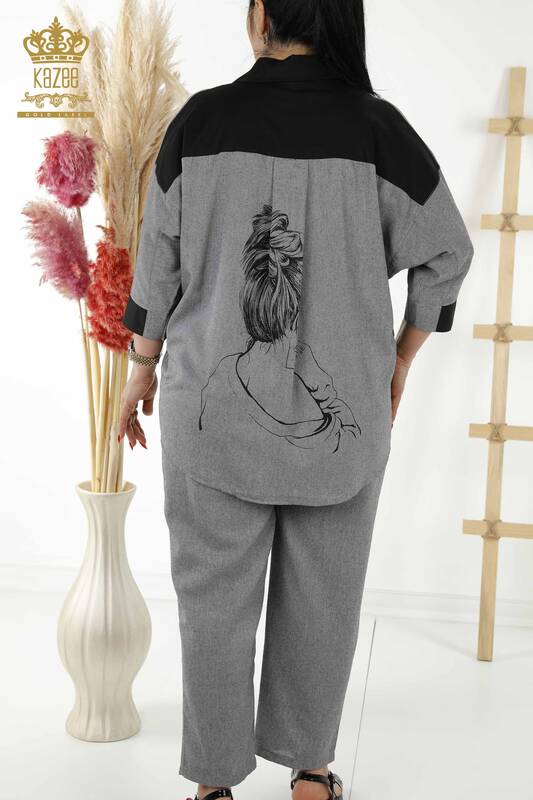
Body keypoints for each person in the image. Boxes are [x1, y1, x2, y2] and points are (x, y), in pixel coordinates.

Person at [118, 1, 474, 798]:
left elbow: (157, 264)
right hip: (343, 424)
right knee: (325, 599)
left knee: (211, 605)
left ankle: (213, 784)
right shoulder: (379, 130)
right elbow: (446, 251)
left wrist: (141, 368)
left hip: (208, 413)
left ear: (261, 16)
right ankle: (310, 773)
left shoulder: (199, 124)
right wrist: (401, 358)